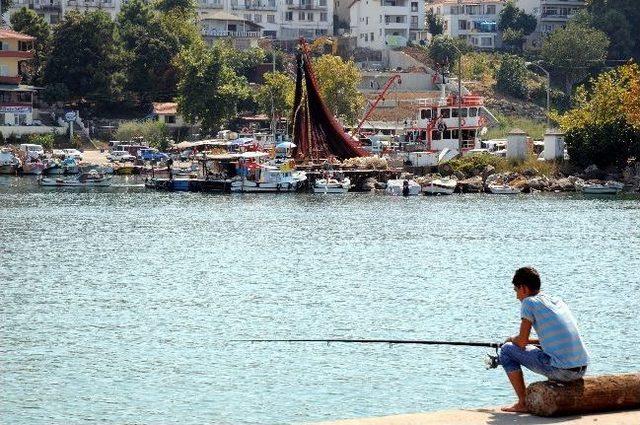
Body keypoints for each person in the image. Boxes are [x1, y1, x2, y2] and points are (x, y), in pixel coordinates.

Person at [500, 267, 589, 413]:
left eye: (516, 290)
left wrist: (510, 339)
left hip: (563, 372)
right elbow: (550, 340)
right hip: (581, 368)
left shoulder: (528, 303)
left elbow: (521, 342)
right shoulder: (556, 301)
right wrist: (528, 342)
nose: (516, 296)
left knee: (506, 350)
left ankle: (523, 403)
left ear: (524, 288)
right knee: (521, 347)